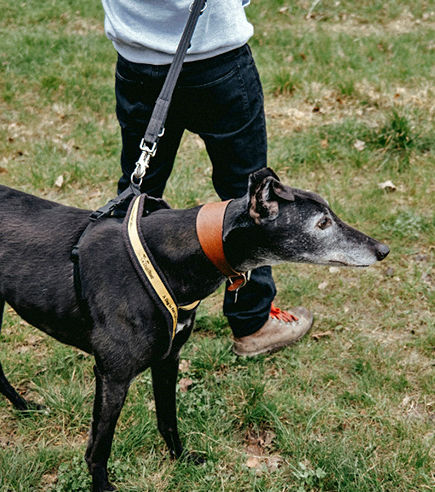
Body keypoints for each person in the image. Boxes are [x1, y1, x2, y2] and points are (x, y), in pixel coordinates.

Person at [101, 0, 313, 356]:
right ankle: (253, 323)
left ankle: (114, 312)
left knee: (139, 190)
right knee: (250, 197)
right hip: (216, 59)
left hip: (139, 61)